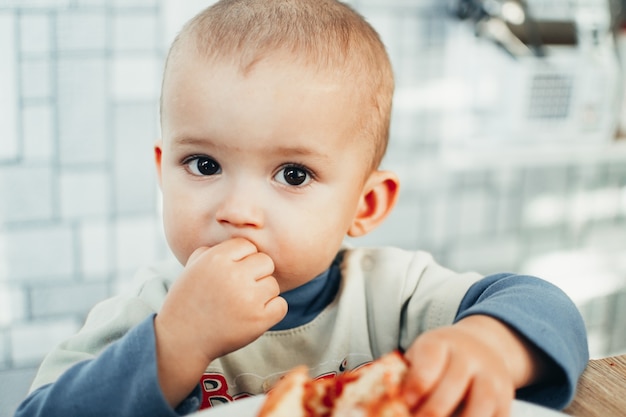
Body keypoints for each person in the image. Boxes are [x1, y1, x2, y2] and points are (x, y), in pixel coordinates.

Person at [15, 1, 588, 416]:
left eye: (293, 174)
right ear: (163, 168)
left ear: (365, 205)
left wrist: (485, 345)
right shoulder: (150, 310)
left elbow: (544, 307)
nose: (237, 210)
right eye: (205, 165)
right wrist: (174, 347)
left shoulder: (393, 292)